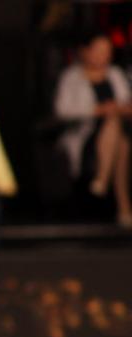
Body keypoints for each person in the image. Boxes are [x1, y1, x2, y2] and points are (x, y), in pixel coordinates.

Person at [54, 31, 132, 227]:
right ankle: (123, 207)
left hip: (120, 133)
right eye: (98, 51)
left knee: (119, 134)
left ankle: (103, 179)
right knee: (117, 132)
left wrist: (117, 109)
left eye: (107, 51)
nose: (103, 56)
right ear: (85, 52)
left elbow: (126, 103)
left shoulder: (115, 74)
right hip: (86, 136)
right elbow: (62, 110)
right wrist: (96, 110)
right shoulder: (71, 77)